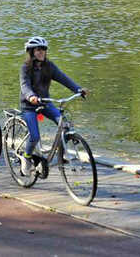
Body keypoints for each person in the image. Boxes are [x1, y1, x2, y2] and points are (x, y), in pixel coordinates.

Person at [19, 36, 87, 175]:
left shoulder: (49, 67)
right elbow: (24, 86)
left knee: (64, 124)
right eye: (38, 50)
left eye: (44, 49)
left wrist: (78, 89)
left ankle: (61, 155)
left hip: (45, 103)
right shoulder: (25, 68)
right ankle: (26, 158)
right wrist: (31, 97)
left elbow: (63, 78)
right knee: (35, 136)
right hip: (29, 106)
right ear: (32, 52)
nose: (42, 52)